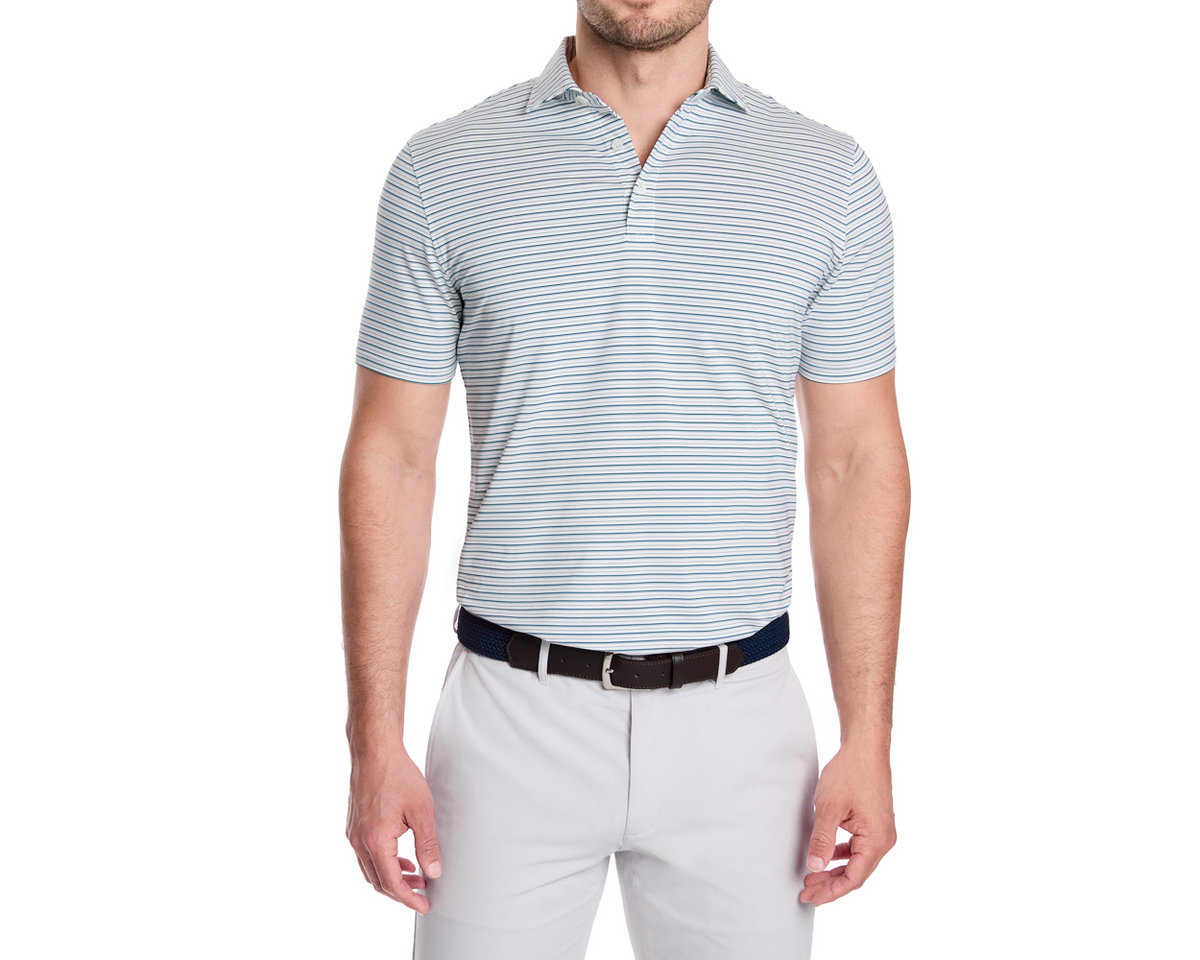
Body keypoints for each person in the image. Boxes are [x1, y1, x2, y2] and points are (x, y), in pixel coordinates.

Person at [340, 2, 909, 957]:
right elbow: (390, 456)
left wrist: (871, 738)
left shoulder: (828, 177)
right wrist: (373, 738)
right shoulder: (443, 171)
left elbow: (856, 460)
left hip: (743, 725)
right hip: (509, 717)